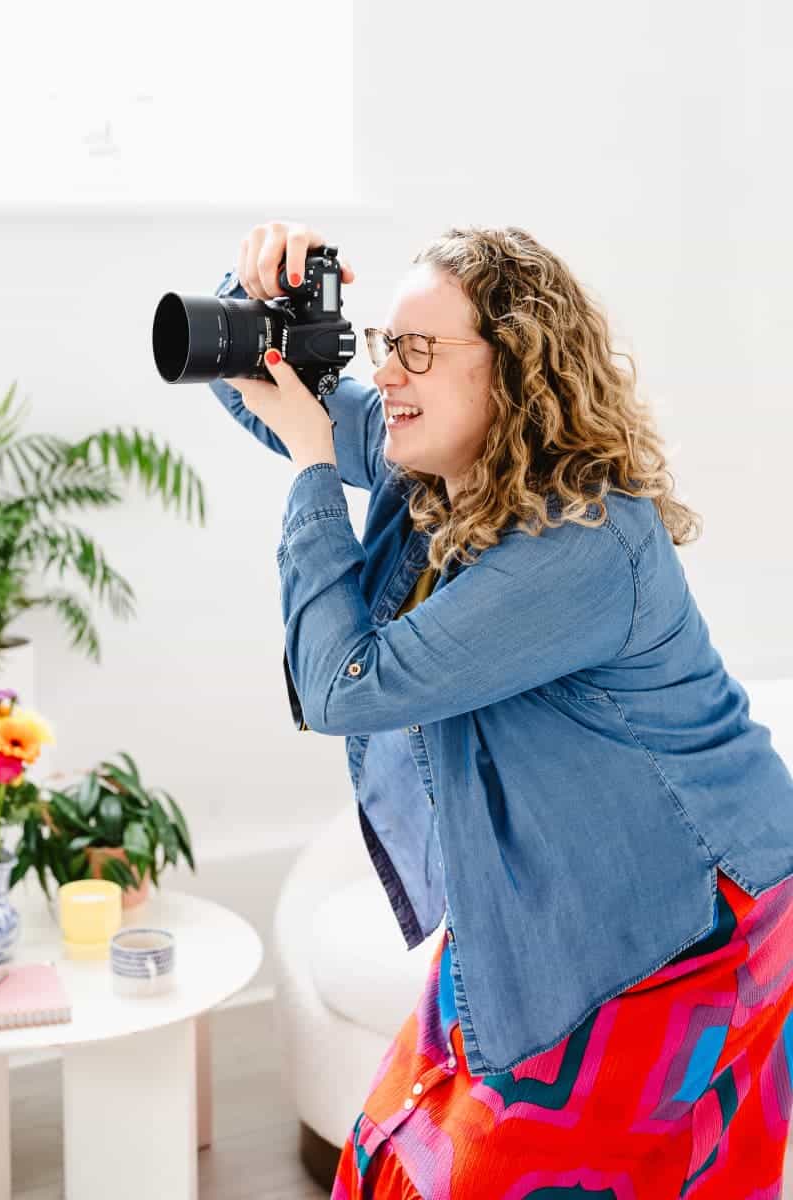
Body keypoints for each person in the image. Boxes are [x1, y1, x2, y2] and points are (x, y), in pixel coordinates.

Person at [209, 220, 793, 1198]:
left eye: (418, 350)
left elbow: (345, 683)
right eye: (383, 346)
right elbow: (269, 404)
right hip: (543, 902)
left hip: (693, 912)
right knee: (392, 1153)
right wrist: (250, 288)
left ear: (514, 371)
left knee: (506, 1175)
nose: (385, 373)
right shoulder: (434, 460)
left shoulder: (584, 540)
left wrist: (315, 463)